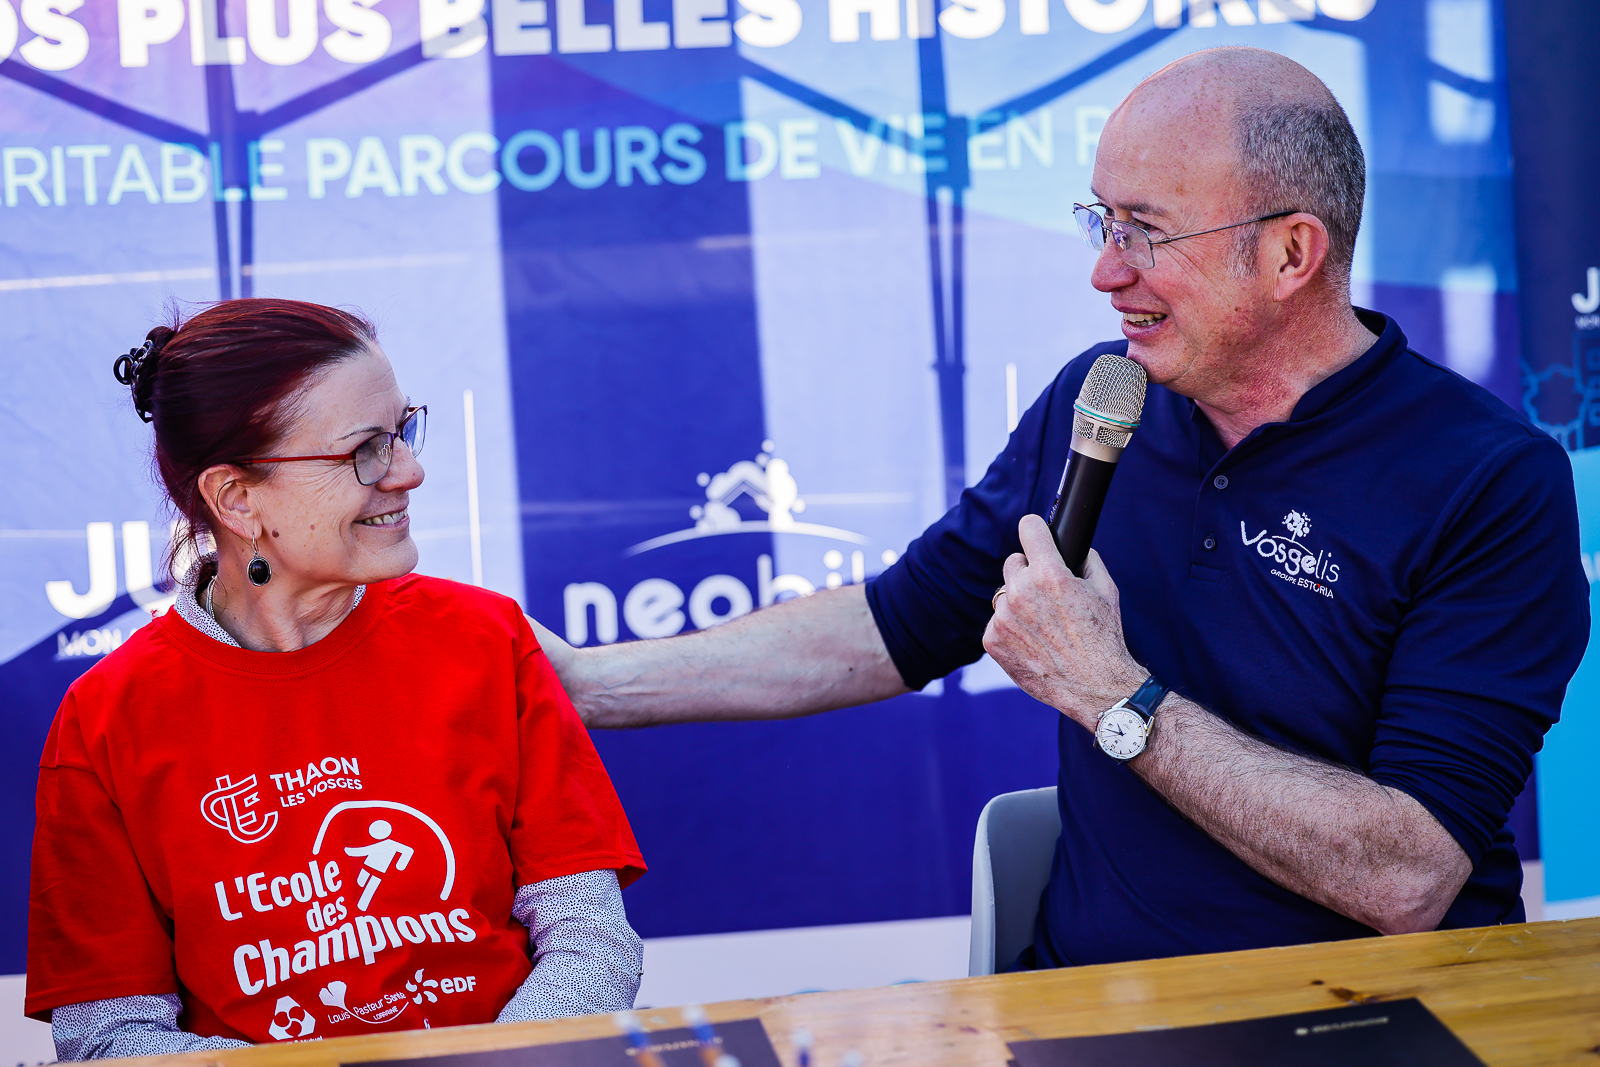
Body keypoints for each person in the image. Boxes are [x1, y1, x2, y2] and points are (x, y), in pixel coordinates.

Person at [533, 47, 1589, 967]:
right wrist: (591, 684)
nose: (1102, 269)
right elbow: (897, 622)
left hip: (1367, 1019)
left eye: (1143, 230)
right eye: (1100, 218)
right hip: (1093, 1004)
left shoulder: (1486, 480)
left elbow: (1407, 874)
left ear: (1288, 253)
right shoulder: (1100, 401)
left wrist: (1114, 696)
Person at [27, 299, 647, 1058]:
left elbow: (591, 939)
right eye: (366, 450)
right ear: (236, 498)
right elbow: (109, 1035)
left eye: (403, 431)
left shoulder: (486, 638)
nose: (410, 471)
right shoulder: (107, 717)